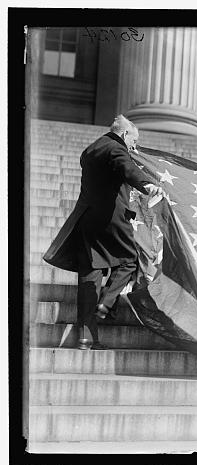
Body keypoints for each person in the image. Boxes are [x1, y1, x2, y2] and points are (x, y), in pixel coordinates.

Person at [43, 115, 164, 350]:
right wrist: (146, 184)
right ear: (124, 134)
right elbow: (125, 166)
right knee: (129, 261)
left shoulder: (90, 150)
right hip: (112, 218)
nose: (134, 147)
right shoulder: (115, 148)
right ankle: (105, 305)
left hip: (87, 219)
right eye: (134, 141)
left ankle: (87, 338)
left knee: (90, 276)